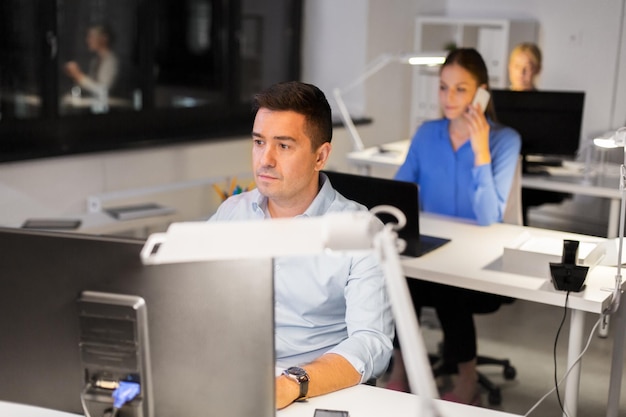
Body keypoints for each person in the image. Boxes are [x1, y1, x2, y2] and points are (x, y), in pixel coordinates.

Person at [209, 81, 394, 410]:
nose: (265, 159)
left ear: (320, 156)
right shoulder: (232, 214)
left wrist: (293, 383)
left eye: (283, 146)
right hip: (234, 380)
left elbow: (372, 343)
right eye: (259, 142)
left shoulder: (361, 233)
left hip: (314, 390)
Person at [384, 48, 521, 406]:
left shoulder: (505, 141)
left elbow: (489, 215)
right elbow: (397, 194)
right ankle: (400, 370)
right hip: (433, 252)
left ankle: (467, 379)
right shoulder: (428, 134)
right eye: (444, 87)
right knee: (400, 275)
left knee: (450, 284)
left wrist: (480, 150)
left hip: (479, 265)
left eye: (461, 89)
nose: (448, 98)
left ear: (481, 93)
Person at [64, 24, 119, 104]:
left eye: (91, 37)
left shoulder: (111, 61)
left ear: (104, 38)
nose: (88, 40)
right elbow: (90, 88)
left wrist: (78, 75)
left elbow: (103, 91)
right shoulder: (95, 60)